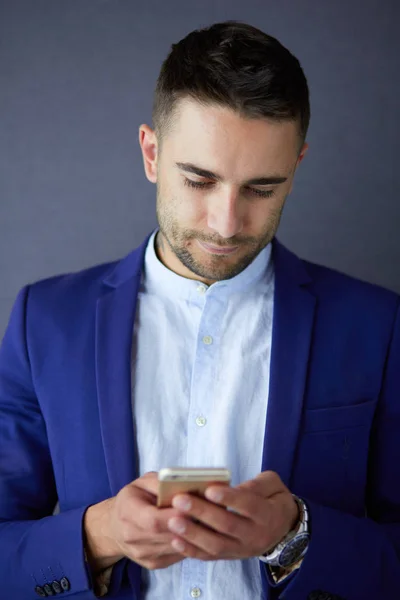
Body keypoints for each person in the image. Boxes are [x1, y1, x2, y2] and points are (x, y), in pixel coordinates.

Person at [0, 19, 399, 600]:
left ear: (297, 167)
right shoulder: (46, 323)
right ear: (152, 153)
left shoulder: (377, 327)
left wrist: (298, 537)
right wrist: (98, 534)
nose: (227, 223)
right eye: (199, 179)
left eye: (261, 188)